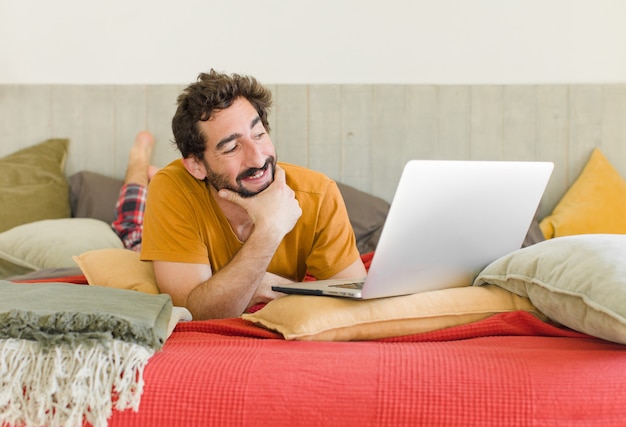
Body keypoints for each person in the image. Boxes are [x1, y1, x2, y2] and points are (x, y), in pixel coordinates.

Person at [137, 69, 366, 320]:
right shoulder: (172, 188)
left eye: (259, 135)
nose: (258, 158)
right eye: (232, 147)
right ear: (196, 166)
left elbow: (357, 299)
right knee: (130, 221)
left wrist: (280, 289)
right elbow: (192, 311)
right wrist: (270, 229)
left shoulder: (319, 194)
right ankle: (137, 163)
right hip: (146, 233)